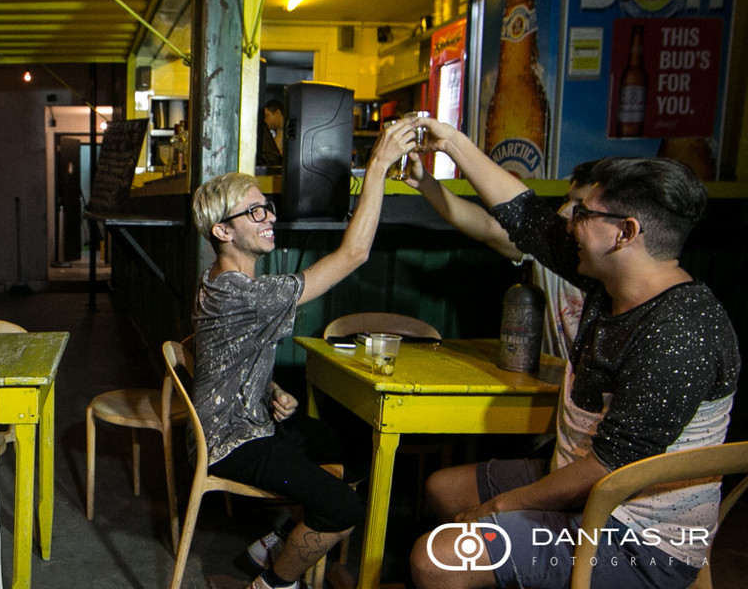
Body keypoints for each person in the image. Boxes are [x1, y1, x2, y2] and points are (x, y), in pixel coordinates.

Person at [408, 121, 740, 589]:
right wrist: (453, 142)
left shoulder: (680, 332)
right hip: (584, 486)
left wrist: (498, 506)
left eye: (583, 213)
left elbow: (608, 467)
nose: (569, 221)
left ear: (625, 233)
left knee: (435, 560)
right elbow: (525, 217)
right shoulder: (611, 281)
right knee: (443, 490)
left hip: (638, 541)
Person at [189, 116, 417, 589]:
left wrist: (269, 386)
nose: (269, 217)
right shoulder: (245, 293)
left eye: (266, 208)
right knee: (343, 507)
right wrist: (377, 165)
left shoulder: (220, 281)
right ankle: (273, 584)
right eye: (254, 212)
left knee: (349, 448)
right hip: (232, 441)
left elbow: (226, 352)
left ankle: (276, 542)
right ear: (223, 232)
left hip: (244, 419)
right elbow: (353, 254)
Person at [403, 156, 596, 359]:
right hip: (550, 377)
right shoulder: (551, 247)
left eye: (580, 206)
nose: (564, 211)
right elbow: (487, 227)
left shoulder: (610, 276)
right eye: (566, 200)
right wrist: (424, 181)